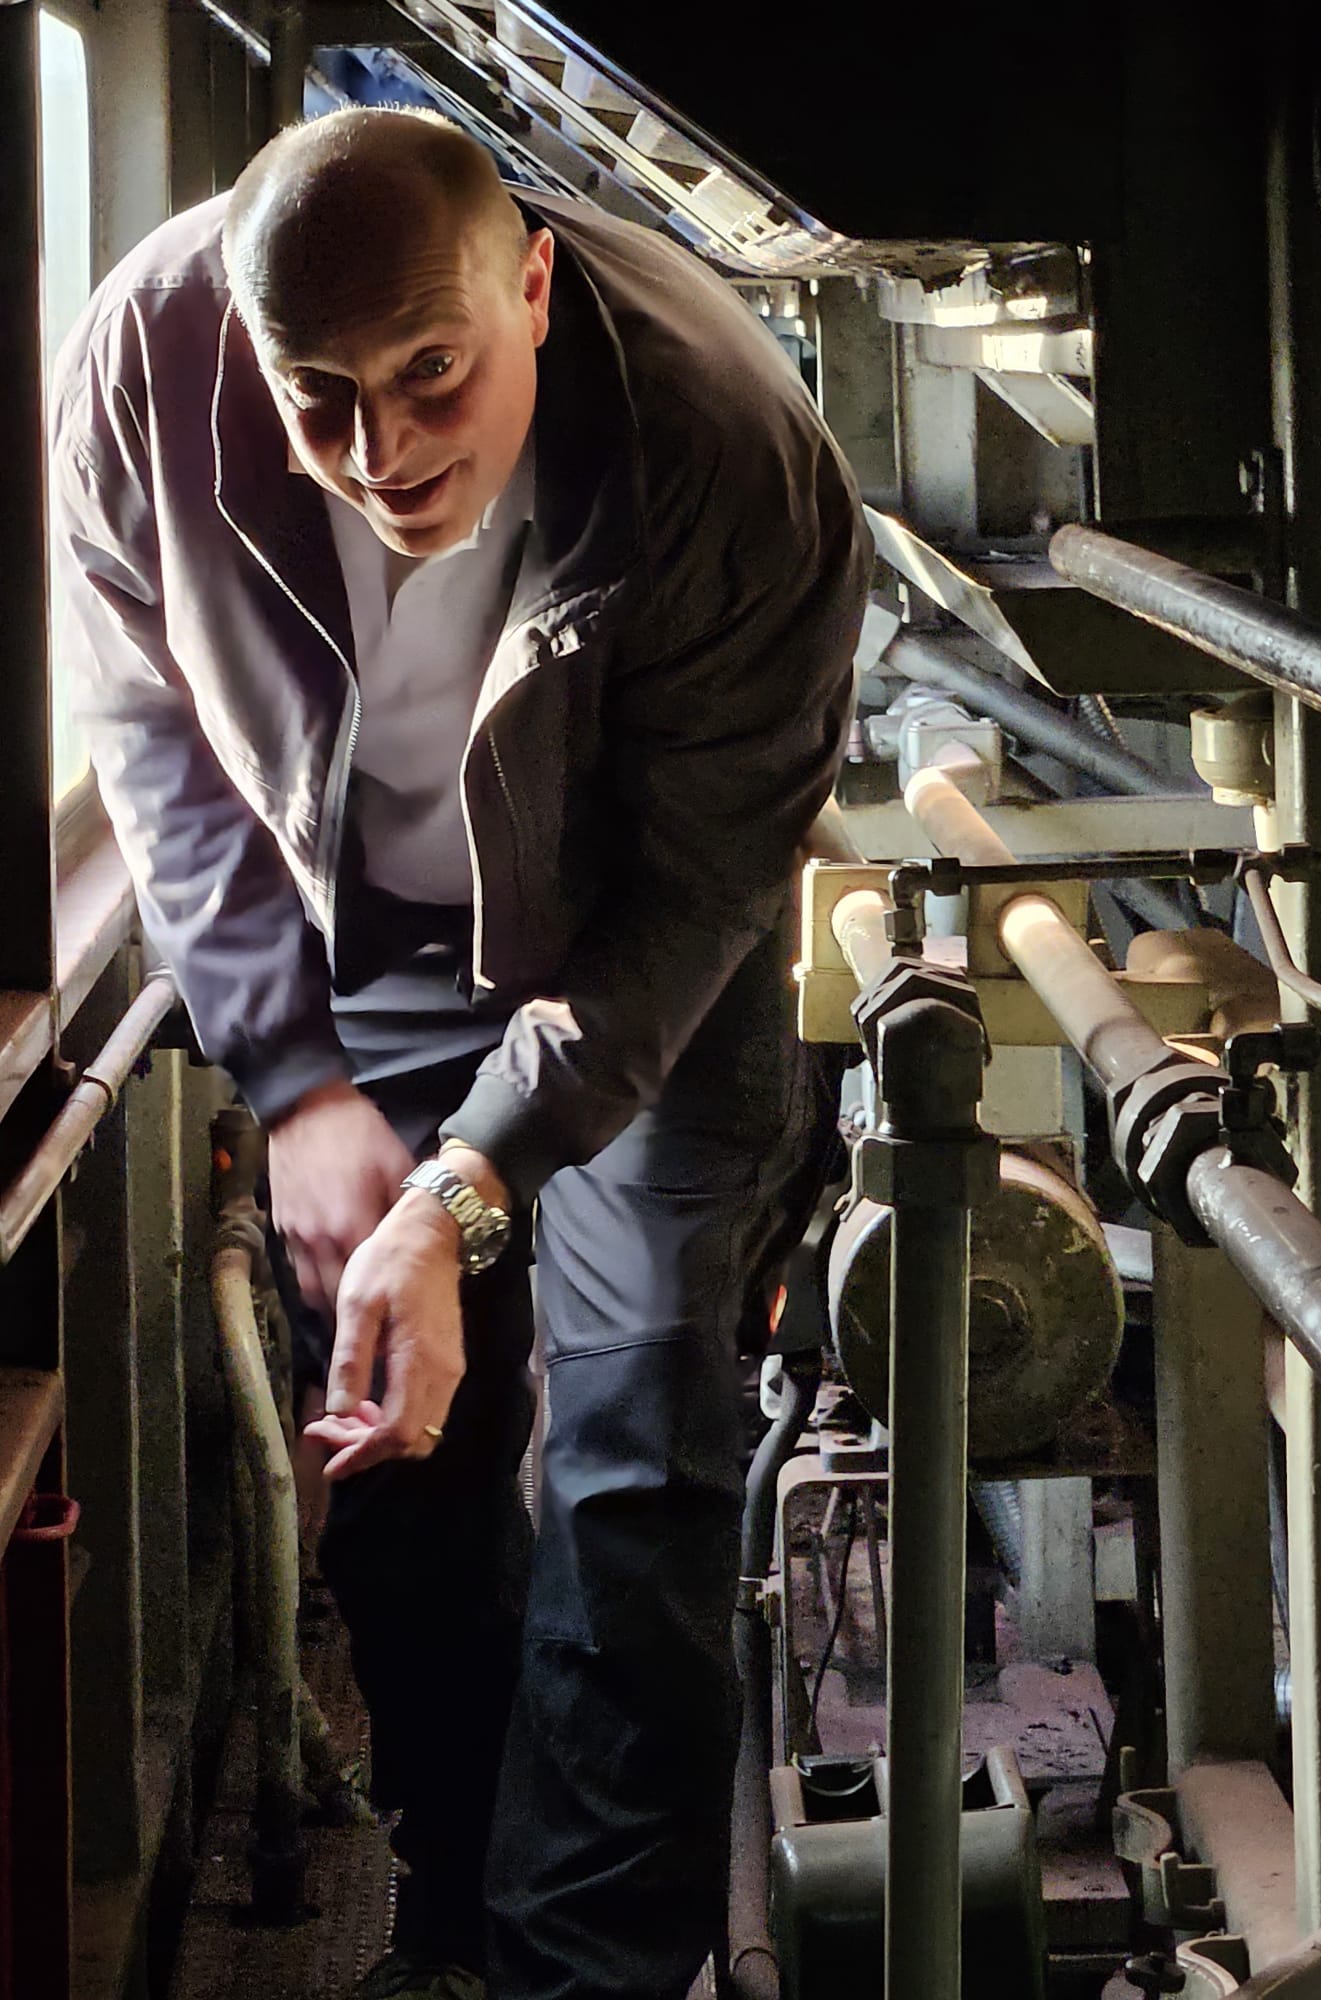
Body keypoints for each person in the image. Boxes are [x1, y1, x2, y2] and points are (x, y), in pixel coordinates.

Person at [52, 106, 870, 2000]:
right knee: (398, 1444)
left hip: (641, 950)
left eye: (434, 374)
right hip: (368, 950)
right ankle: (452, 1913)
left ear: (536, 285)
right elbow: (144, 729)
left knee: (636, 1455)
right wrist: (295, 1075)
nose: (384, 451)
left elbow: (701, 886)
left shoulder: (727, 446)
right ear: (249, 345)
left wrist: (470, 1180)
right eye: (321, 401)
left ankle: (589, 1971)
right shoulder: (142, 368)